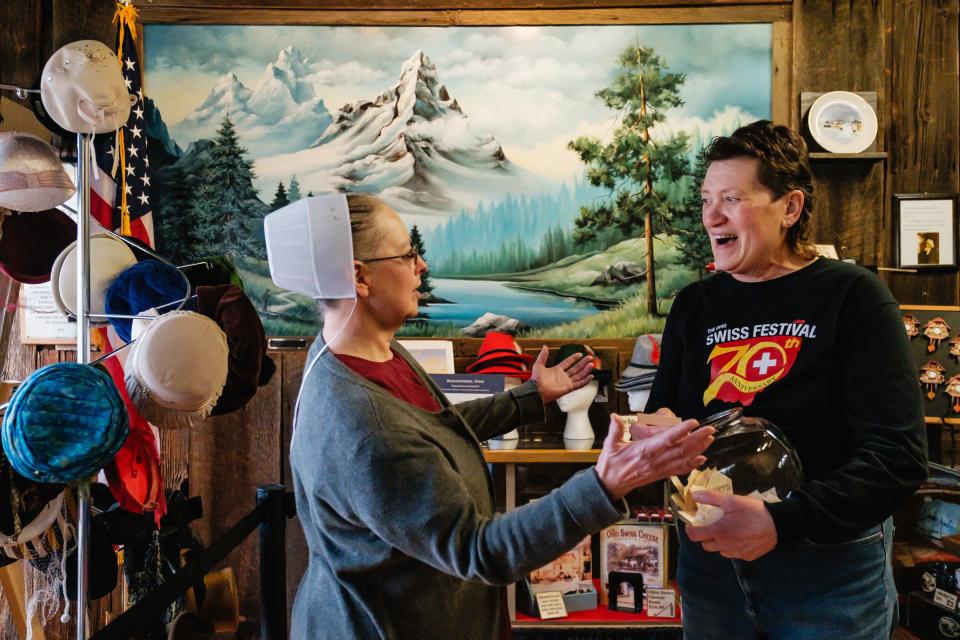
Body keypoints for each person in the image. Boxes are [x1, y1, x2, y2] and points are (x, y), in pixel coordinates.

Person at [288, 193, 715, 640]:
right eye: (407, 254)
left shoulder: (355, 352)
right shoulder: (366, 428)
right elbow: (480, 552)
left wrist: (531, 398)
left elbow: (435, 429)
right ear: (359, 278)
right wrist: (605, 484)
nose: (422, 267)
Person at [644, 120, 927, 639]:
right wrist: (654, 432)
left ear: (790, 208)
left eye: (731, 198)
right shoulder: (694, 304)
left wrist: (783, 522)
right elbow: (671, 414)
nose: (711, 216)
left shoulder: (854, 296)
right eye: (706, 199)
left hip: (828, 572)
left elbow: (897, 456)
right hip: (712, 570)